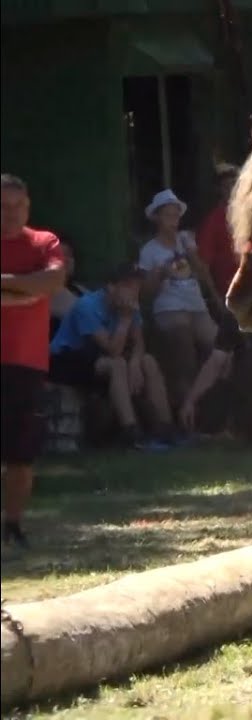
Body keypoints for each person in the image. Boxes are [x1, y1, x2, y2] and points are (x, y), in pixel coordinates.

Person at [1, 173, 67, 548]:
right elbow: (37, 285)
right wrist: (24, 287)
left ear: (27, 207)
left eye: (18, 206)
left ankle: (12, 525)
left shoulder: (44, 242)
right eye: (3, 207)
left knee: (21, 455)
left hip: (26, 363)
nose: (11, 213)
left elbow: (52, 282)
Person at [48, 263, 176, 450]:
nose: (135, 292)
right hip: (66, 358)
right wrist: (124, 319)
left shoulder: (131, 306)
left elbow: (139, 343)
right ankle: (130, 430)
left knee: (148, 361)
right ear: (111, 287)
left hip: (99, 356)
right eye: (129, 286)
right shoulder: (87, 307)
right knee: (117, 364)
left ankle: (165, 427)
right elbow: (112, 350)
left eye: (137, 286)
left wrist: (135, 363)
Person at [137, 189, 221, 409]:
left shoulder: (186, 241)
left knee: (220, 347)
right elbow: (145, 293)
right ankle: (185, 407)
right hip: (169, 308)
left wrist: (192, 253)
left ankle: (213, 404)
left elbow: (203, 274)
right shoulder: (149, 251)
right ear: (157, 218)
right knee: (183, 346)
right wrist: (161, 274)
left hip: (196, 306)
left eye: (176, 215)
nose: (173, 220)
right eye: (168, 215)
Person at [195, 164, 241, 298]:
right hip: (230, 291)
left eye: (235, 184)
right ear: (220, 189)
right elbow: (203, 265)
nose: (231, 190)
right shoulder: (213, 221)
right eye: (226, 186)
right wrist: (216, 300)